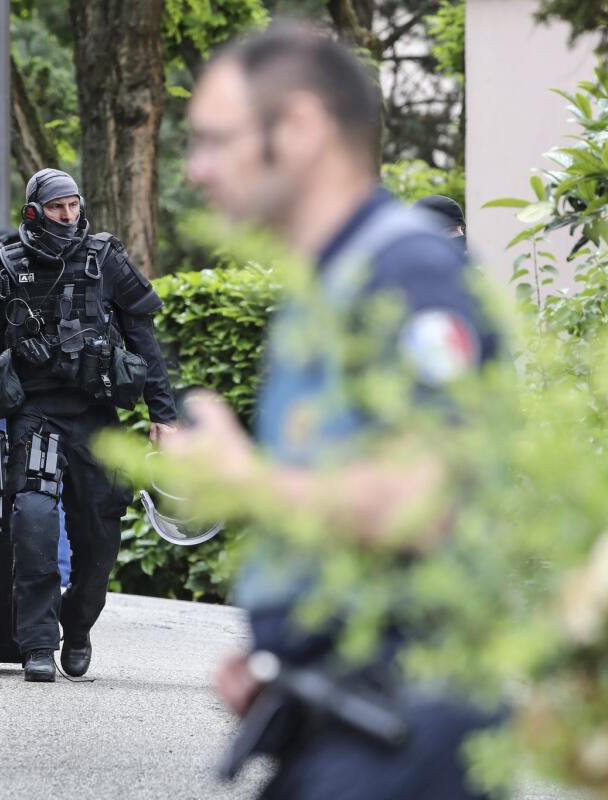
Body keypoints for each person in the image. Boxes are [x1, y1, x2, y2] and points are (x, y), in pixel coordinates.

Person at [179, 25, 500, 799]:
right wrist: (287, 657)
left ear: (298, 130)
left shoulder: (410, 272)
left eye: (215, 140)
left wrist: (242, 480)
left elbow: (422, 501)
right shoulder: (330, 283)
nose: (195, 171)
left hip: (404, 735)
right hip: (342, 722)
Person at [0, 168, 177, 682]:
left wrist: (164, 415)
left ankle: (77, 625)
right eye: (57, 206)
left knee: (100, 537)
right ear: (35, 210)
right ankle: (37, 644)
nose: (67, 214)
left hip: (97, 416)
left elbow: (144, 340)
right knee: (34, 521)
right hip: (33, 415)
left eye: (74, 205)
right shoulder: (7, 266)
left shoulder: (106, 259)